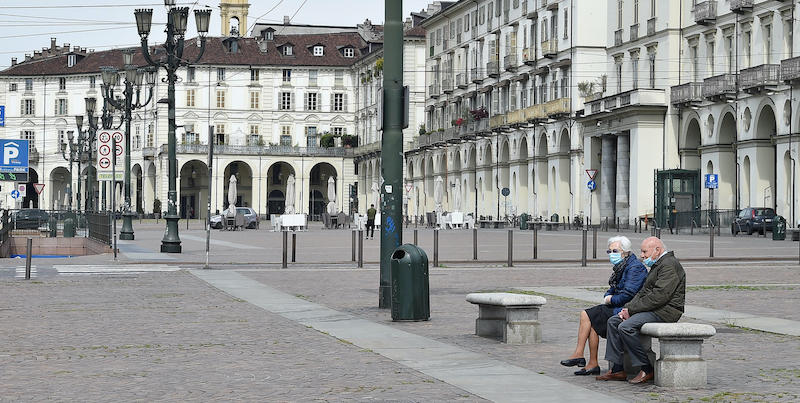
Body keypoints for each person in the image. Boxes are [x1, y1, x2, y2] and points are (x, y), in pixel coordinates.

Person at [596, 236, 686, 384]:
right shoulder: (659, 264)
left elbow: (659, 297)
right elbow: (643, 293)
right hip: (655, 308)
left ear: (657, 250)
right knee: (613, 321)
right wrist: (626, 309)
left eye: (644, 251)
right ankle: (618, 368)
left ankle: (647, 368)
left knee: (625, 327)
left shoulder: (669, 265)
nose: (642, 255)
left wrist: (631, 311)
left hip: (666, 311)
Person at [560, 236, 647, 376]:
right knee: (592, 322)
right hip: (619, 304)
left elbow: (628, 294)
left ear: (625, 252)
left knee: (586, 314)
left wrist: (610, 300)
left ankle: (579, 354)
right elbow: (612, 288)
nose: (611, 254)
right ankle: (592, 363)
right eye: (609, 251)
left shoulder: (635, 267)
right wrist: (609, 295)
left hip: (627, 308)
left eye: (614, 250)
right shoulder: (622, 266)